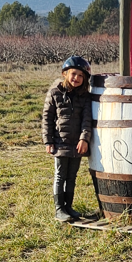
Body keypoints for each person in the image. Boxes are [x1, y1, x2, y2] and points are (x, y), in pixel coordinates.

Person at [41, 55, 93, 222]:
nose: (76, 78)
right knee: (60, 175)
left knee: (72, 176)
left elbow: (87, 119)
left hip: (77, 144)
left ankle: (68, 206)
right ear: (65, 73)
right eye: (73, 74)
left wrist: (84, 139)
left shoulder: (85, 96)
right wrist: (48, 141)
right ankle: (59, 209)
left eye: (80, 76)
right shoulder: (55, 93)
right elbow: (47, 119)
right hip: (60, 143)